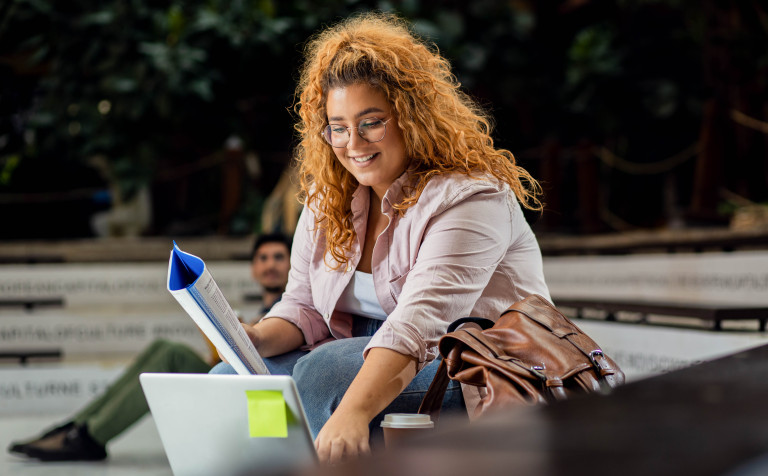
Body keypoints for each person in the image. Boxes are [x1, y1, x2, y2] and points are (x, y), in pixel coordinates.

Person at [209, 12, 551, 465]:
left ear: (411, 115)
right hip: (361, 354)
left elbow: (419, 325)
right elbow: (304, 306)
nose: (353, 142)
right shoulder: (328, 197)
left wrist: (352, 412)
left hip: (471, 366)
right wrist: (251, 338)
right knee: (230, 381)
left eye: (371, 121)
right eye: (338, 126)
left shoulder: (471, 197)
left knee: (324, 373)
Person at [7, 232, 291, 462]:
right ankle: (77, 426)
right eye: (263, 258)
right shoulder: (254, 309)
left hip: (261, 392)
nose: (270, 265)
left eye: (279, 257)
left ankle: (89, 437)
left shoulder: (291, 309)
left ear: (293, 264)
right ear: (253, 269)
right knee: (161, 348)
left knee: (172, 355)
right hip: (232, 379)